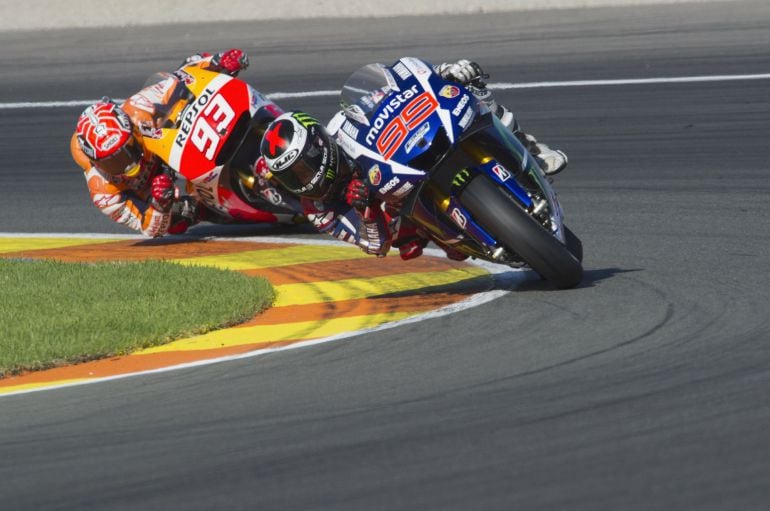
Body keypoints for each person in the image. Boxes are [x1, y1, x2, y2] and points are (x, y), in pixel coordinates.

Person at [259, 58, 569, 260]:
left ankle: (530, 149)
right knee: (432, 245)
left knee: (469, 89)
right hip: (402, 214)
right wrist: (366, 208)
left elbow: (401, 83)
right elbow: (375, 246)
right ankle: (473, 234)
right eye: (292, 177)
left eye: (302, 167)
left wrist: (445, 72)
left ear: (319, 145)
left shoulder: (344, 127)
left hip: (408, 160)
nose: (304, 179)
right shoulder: (318, 209)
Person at [70, 49, 253, 237]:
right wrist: (160, 205)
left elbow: (182, 76)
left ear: (132, 130)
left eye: (127, 149)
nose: (127, 164)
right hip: (156, 191)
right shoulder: (103, 192)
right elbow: (149, 229)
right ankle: (219, 207)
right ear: (95, 161)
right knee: (178, 220)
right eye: (112, 161)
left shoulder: (138, 108)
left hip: (173, 144)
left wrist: (218, 62)